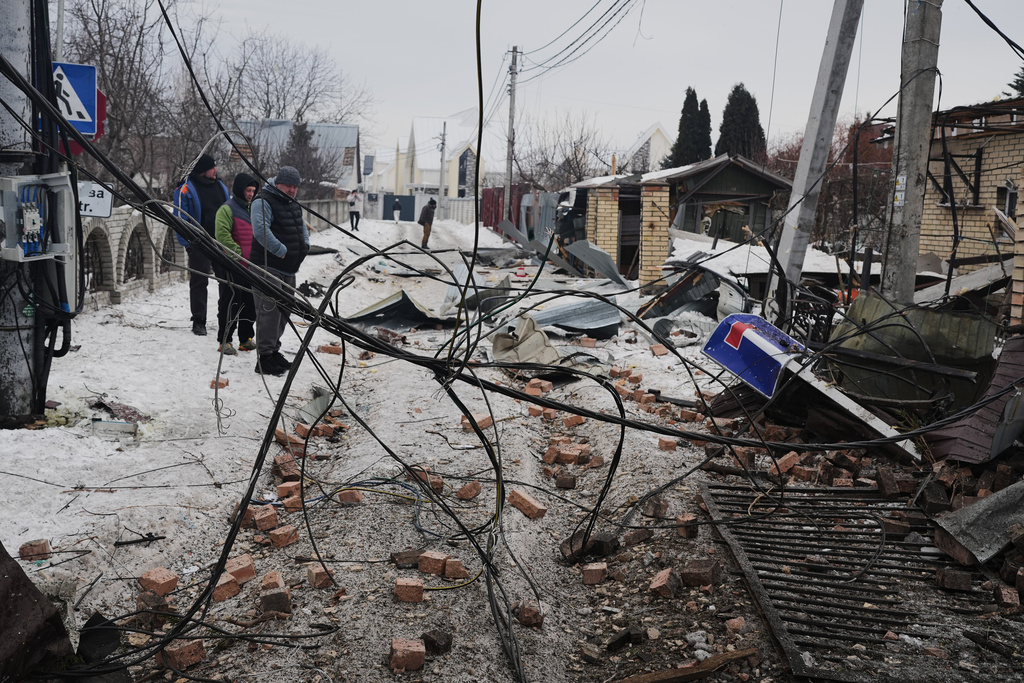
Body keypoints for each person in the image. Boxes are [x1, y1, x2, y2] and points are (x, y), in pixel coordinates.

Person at [249, 166, 309, 376]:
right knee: (269, 312)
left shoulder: (291, 203)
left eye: (295, 187)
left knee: (284, 310)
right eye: (288, 186)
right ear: (278, 183)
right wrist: (281, 251)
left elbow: (301, 226)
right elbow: (260, 230)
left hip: (289, 268)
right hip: (268, 266)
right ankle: (264, 358)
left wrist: (305, 245)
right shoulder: (263, 201)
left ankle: (274, 351)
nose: (292, 190)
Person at [173, 153, 229, 335]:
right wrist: (188, 244)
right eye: (212, 167)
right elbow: (179, 219)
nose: (216, 171)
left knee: (228, 281)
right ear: (203, 170)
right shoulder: (185, 190)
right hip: (199, 243)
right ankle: (199, 320)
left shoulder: (221, 186)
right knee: (199, 281)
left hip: (221, 242)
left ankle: (226, 318)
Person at [213, 173, 259, 355]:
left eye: (253, 191)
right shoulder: (227, 209)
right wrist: (238, 253)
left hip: (251, 266)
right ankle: (225, 339)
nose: (250, 194)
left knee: (250, 303)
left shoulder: (254, 209)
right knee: (231, 302)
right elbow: (222, 235)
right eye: (248, 190)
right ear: (240, 189)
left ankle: (246, 338)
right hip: (233, 266)